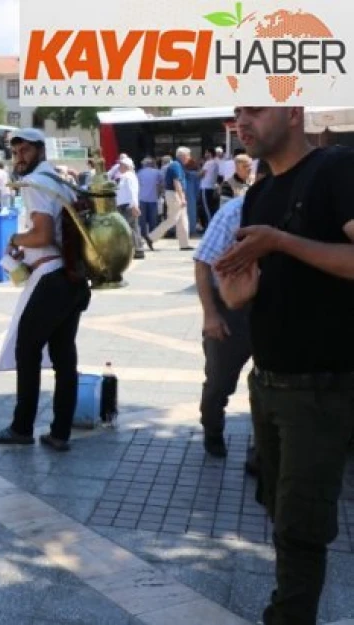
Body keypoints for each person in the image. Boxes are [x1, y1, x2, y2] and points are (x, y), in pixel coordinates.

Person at [214, 106, 354, 625]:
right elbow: (270, 284)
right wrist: (240, 293)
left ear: (294, 111)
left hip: (321, 389)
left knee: (300, 527)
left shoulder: (335, 169)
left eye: (254, 110)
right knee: (280, 515)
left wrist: (282, 242)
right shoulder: (259, 192)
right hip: (268, 383)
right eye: (237, 113)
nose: (242, 122)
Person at [0, 128, 90, 451]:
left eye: (26, 150)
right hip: (73, 280)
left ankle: (22, 427)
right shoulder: (61, 181)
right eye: (16, 152)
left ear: (40, 151)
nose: (20, 157)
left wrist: (16, 239)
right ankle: (59, 433)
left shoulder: (36, 185)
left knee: (27, 349)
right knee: (64, 356)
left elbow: (43, 235)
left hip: (52, 278)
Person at [192, 160, 269, 461]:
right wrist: (211, 315)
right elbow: (202, 263)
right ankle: (212, 430)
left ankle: (262, 450)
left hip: (271, 308)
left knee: (270, 384)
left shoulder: (293, 211)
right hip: (229, 308)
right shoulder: (234, 212)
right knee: (219, 383)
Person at [148, 147, 194, 251]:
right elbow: (176, 182)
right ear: (182, 156)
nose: (189, 158)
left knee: (183, 220)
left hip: (176, 194)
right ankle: (151, 237)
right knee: (173, 219)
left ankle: (184, 244)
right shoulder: (176, 165)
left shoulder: (177, 165)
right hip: (174, 194)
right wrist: (182, 198)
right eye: (188, 155)